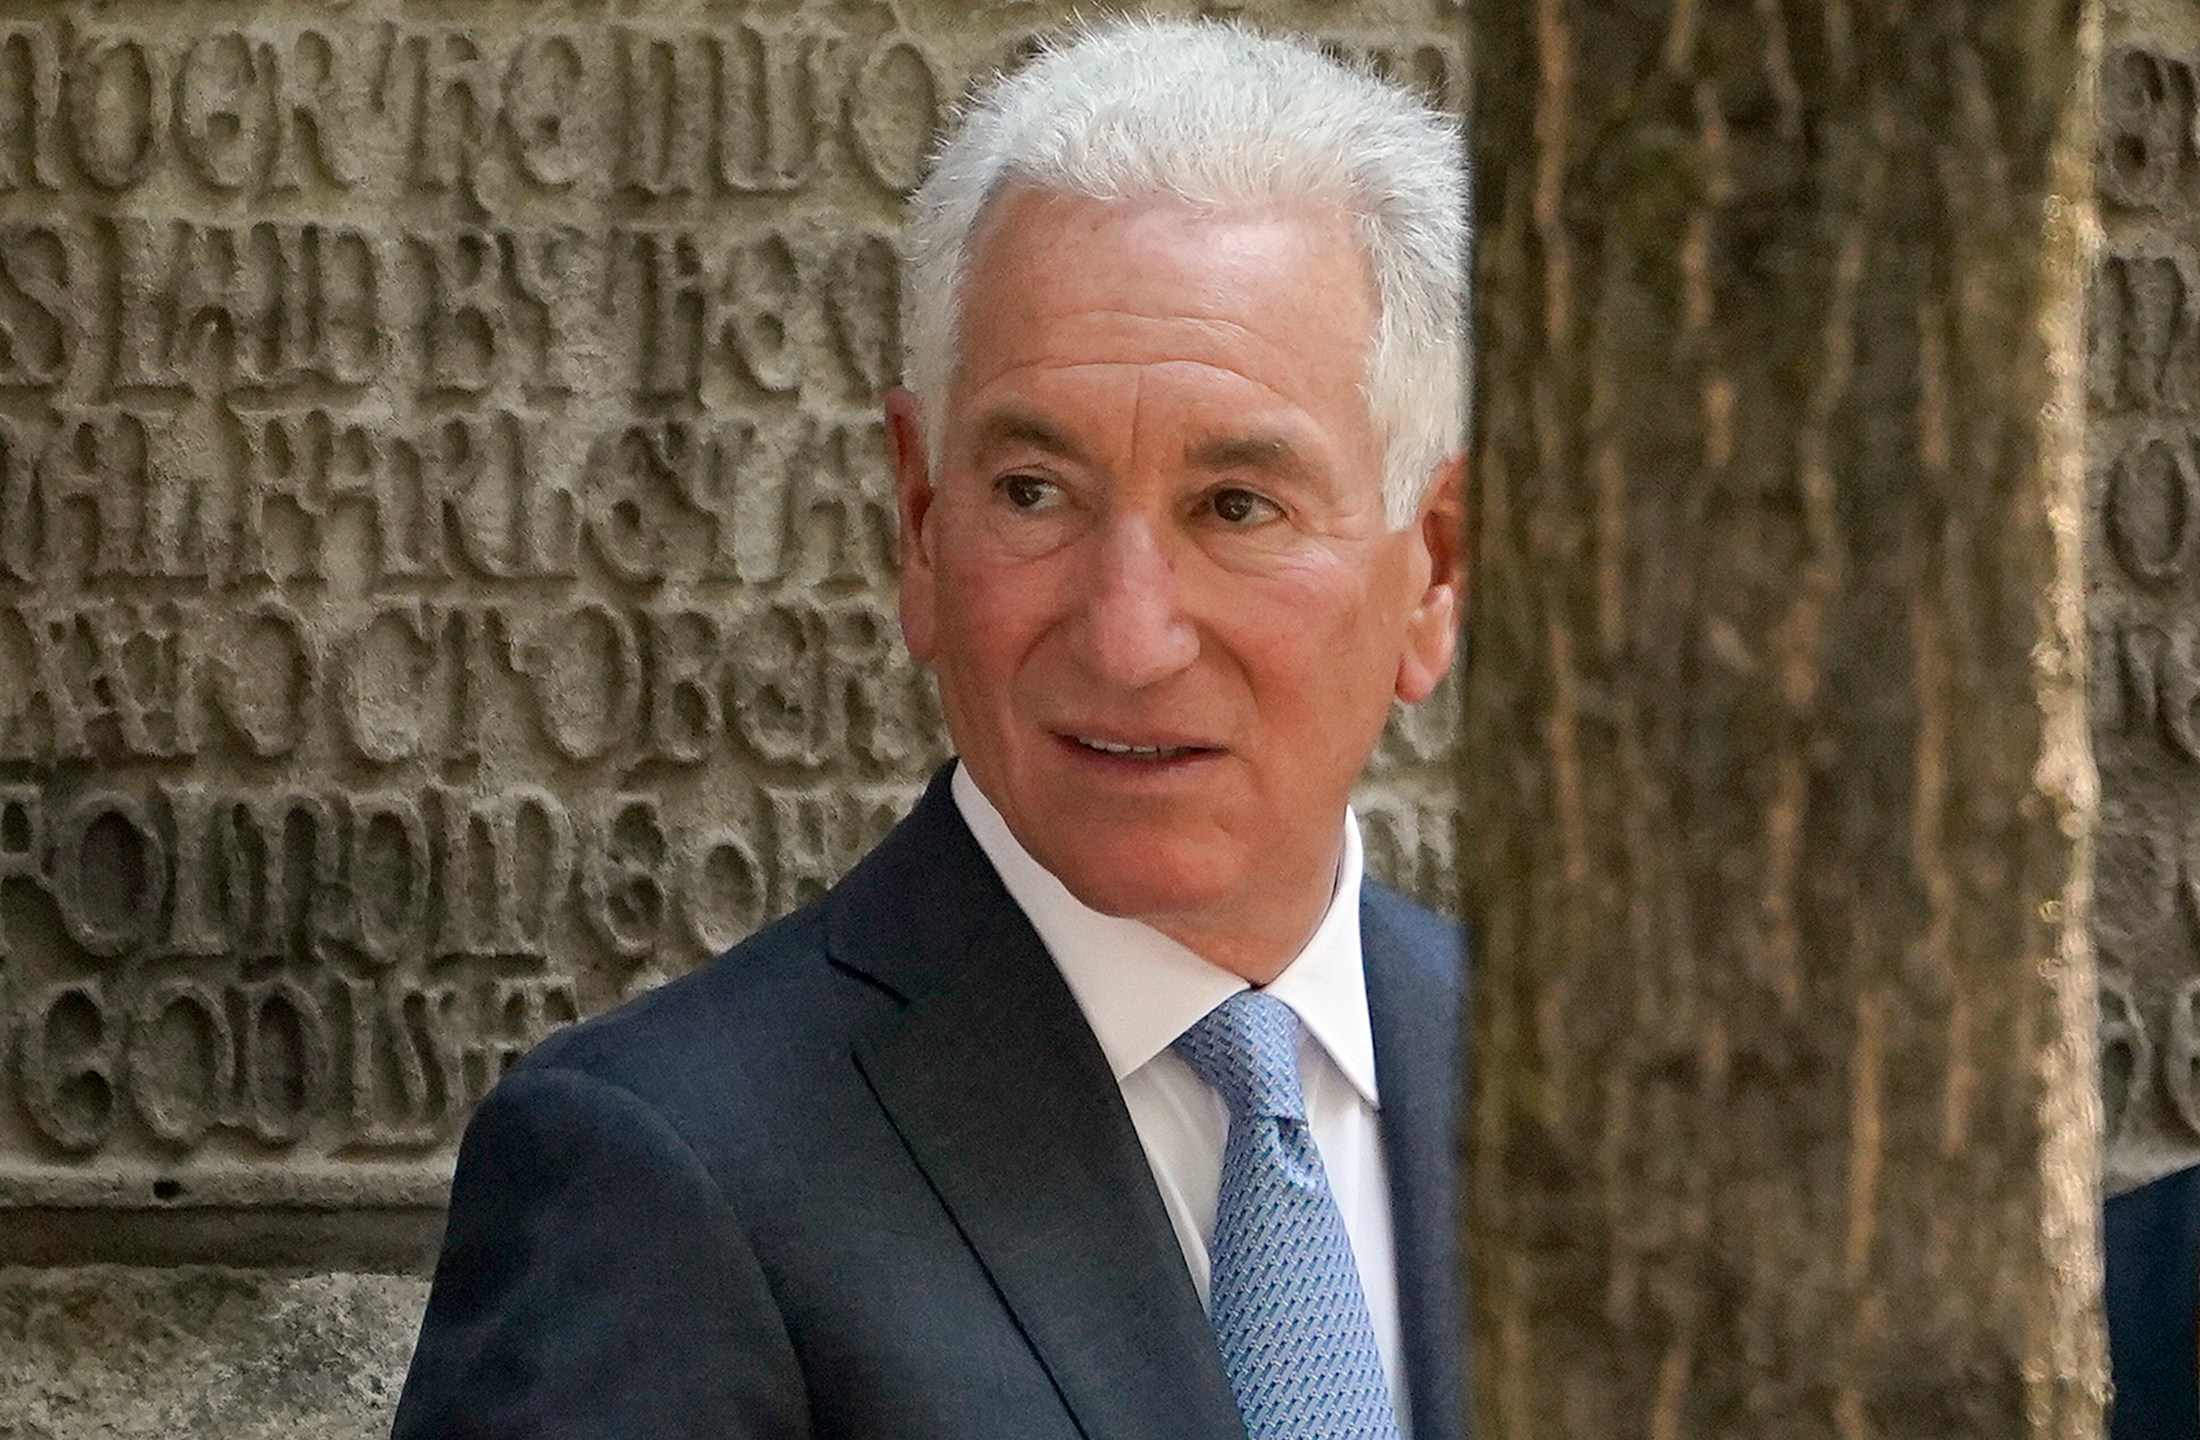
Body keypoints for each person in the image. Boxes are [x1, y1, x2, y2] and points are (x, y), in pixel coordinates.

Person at [389, 16, 1470, 1440]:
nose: (1126, 636)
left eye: (1236, 508)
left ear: (1434, 570)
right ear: (919, 522)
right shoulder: (660, 1176)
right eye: (1034, 491)